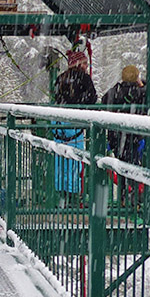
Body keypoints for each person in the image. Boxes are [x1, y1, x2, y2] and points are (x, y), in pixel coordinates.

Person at [52, 48, 96, 199]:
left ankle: (60, 193)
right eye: (84, 63)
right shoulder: (83, 78)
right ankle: (72, 195)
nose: (86, 66)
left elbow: (56, 96)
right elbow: (91, 98)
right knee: (75, 160)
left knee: (60, 160)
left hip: (59, 122)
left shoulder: (61, 78)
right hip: (75, 122)